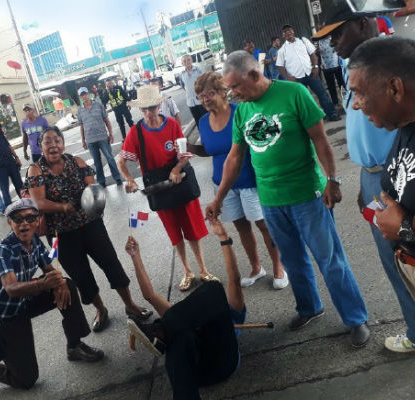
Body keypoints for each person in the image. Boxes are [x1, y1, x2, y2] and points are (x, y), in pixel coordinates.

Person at [208, 51, 370, 347]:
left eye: (235, 86)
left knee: (330, 261)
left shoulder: (294, 93)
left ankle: (356, 318)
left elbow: (321, 140)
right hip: (270, 201)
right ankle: (310, 308)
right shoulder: (242, 111)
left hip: (308, 195)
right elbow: (234, 157)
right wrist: (219, 197)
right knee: (293, 261)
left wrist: (332, 180)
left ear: (254, 75)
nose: (232, 93)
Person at [315, 1, 415, 353]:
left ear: (362, 24)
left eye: (337, 33)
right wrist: (366, 183)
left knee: (408, 252)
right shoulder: (356, 68)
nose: (332, 44)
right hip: (376, 176)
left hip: (402, 177)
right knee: (396, 261)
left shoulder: (398, 56)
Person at [0, 198, 104, 390]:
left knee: (67, 284)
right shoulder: (1, 250)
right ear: (10, 222)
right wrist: (46, 283)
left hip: (26, 302)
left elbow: (49, 267)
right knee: (25, 379)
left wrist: (59, 282)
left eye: (30, 218)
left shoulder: (34, 240)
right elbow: (11, 289)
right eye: (18, 219)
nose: (25, 223)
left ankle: (74, 346)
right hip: (5, 316)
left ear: (38, 221)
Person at [27, 126, 151, 332]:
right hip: (59, 234)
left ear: (63, 143)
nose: (53, 145)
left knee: (111, 263)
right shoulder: (36, 170)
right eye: (47, 142)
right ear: (40, 146)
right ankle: (101, 309)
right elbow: (38, 202)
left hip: (91, 226)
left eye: (57, 140)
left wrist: (94, 200)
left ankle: (130, 304)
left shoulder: (77, 162)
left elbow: (93, 190)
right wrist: (62, 207)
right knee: (80, 276)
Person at [348, 36, 415, 351]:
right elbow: (398, 186)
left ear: (395, 88)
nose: (355, 104)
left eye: (360, 93)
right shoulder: (403, 125)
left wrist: (405, 226)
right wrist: (375, 208)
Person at [125, 218, 247, 400]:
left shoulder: (232, 313)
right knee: (179, 336)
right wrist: (135, 256)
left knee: (213, 288)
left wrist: (224, 238)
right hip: (198, 373)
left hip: (224, 363)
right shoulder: (180, 319)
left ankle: (160, 334)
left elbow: (234, 279)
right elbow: (149, 295)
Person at [189, 71, 286, 289]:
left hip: (250, 180)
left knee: (264, 226)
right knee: (242, 227)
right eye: (201, 96)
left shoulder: (240, 112)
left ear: (224, 92)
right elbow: (210, 150)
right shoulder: (203, 122)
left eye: (209, 94)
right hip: (223, 185)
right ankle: (256, 267)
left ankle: (279, 267)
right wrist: (190, 149)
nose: (205, 100)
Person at [117, 85, 214, 292]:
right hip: (158, 189)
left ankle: (204, 269)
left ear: (159, 105)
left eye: (152, 107)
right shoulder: (136, 132)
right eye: (144, 109)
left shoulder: (171, 124)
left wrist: (177, 169)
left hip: (181, 184)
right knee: (175, 234)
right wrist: (129, 180)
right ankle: (188, 271)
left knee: (193, 231)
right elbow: (121, 162)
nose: (149, 113)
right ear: (140, 111)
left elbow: (185, 153)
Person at [276, 24, 341, 121]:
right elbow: (279, 66)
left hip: (311, 73)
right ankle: (311, 120)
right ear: (283, 35)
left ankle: (331, 114)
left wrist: (315, 66)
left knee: (322, 94)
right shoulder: (282, 50)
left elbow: (313, 54)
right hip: (297, 79)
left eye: (289, 30)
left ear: (293, 31)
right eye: (285, 32)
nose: (288, 32)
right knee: (303, 100)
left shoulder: (303, 41)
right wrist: (288, 77)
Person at [77, 87, 123, 187]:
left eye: (85, 94)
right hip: (90, 140)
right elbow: (81, 126)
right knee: (97, 162)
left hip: (102, 137)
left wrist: (110, 134)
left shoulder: (98, 105)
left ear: (88, 94)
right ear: (80, 97)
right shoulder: (80, 110)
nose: (84, 96)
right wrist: (83, 140)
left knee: (110, 158)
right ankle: (101, 182)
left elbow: (107, 120)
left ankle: (117, 178)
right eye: (82, 95)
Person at [315, 26, 344, 107]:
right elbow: (315, 53)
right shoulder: (317, 41)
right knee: (331, 86)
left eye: (321, 29)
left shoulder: (333, 38)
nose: (320, 31)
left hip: (337, 65)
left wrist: (336, 47)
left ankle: (345, 100)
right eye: (319, 30)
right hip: (326, 67)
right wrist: (317, 51)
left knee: (341, 84)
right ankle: (336, 103)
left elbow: (339, 47)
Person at [179, 54, 206, 129]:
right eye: (184, 61)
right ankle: (203, 137)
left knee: (206, 119)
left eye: (188, 60)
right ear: (182, 63)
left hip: (201, 100)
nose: (187, 62)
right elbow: (183, 86)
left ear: (191, 60)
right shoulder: (182, 74)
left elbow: (205, 82)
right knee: (198, 121)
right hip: (190, 102)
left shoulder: (198, 70)